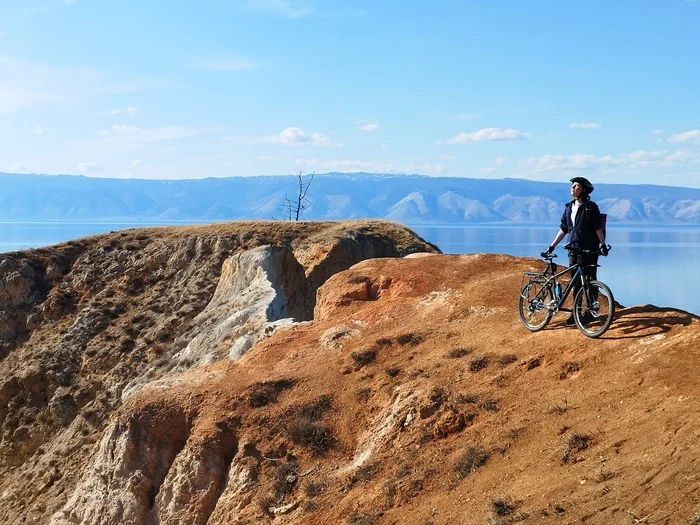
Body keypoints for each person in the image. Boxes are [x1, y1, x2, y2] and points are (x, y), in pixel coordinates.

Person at [543, 177, 609, 325]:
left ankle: (591, 311)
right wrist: (552, 246)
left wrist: (603, 244)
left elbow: (597, 227)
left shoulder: (590, 207)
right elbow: (564, 229)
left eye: (576, 186)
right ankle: (576, 312)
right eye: (572, 186)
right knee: (576, 281)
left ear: (584, 190)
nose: (572, 188)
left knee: (590, 279)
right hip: (573, 248)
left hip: (590, 248)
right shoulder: (568, 207)